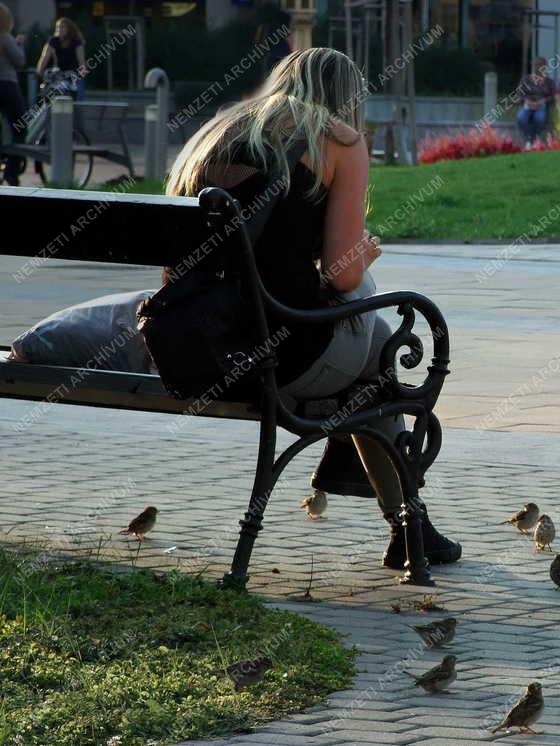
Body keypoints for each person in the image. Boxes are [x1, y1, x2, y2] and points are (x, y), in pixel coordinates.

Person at [165, 48, 461, 571]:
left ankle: (407, 520)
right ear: (347, 99)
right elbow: (343, 276)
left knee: (372, 351)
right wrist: (362, 254)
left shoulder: (215, 133)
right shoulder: (339, 141)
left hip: (195, 353)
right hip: (285, 357)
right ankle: (408, 526)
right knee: (382, 344)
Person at [0, 2, 26, 186]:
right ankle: (11, 171)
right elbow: (20, 60)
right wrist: (19, 45)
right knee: (20, 126)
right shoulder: (4, 37)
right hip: (7, 86)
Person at [36, 17, 87, 99]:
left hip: (73, 74)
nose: (60, 29)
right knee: (45, 92)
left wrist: (81, 75)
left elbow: (81, 62)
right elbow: (44, 58)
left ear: (69, 29)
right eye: (58, 27)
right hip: (57, 74)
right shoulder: (53, 40)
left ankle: (78, 104)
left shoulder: (76, 42)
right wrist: (40, 73)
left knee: (78, 95)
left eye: (63, 27)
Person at [515, 56, 555, 145]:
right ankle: (530, 139)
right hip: (527, 105)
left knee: (539, 118)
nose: (538, 67)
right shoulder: (526, 79)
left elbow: (553, 96)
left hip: (541, 105)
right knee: (521, 118)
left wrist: (543, 100)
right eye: (536, 64)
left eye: (541, 65)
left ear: (545, 66)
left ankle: (531, 139)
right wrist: (527, 101)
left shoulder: (549, 81)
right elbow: (519, 94)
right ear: (532, 65)